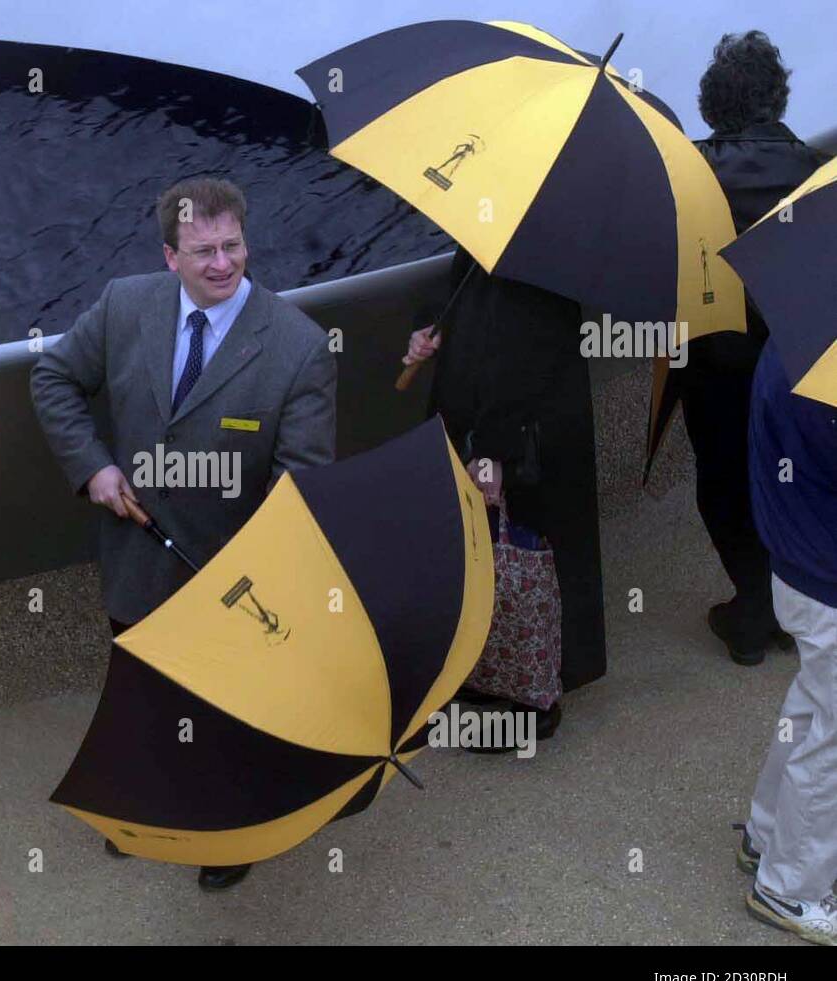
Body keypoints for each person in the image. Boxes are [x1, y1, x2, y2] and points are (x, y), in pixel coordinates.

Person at [31, 177, 337, 889]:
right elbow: (54, 378)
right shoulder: (123, 304)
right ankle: (152, 809)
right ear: (171, 256)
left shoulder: (298, 349)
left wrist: (249, 573)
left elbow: (300, 486)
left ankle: (230, 836)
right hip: (136, 566)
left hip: (234, 579)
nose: (223, 263)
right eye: (204, 251)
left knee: (229, 715)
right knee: (144, 698)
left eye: (233, 246)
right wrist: (95, 468)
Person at [404, 248, 605, 742]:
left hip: (521, 440)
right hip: (509, 430)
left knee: (527, 558)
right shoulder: (505, 235)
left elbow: (526, 356)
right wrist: (431, 326)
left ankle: (532, 697)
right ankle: (516, 675)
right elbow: (462, 297)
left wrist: (491, 450)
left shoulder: (539, 259)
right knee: (520, 558)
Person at [678, 31, 829, 665]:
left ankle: (750, 611)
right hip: (801, 358)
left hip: (719, 360)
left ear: (713, 105)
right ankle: (795, 609)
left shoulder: (689, 171)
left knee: (722, 477)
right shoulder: (814, 167)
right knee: (792, 476)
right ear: (777, 98)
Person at [738, 338, 837, 946]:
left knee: (813, 709)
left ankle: (765, 833)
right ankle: (791, 889)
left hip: (798, 563)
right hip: (826, 573)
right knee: (830, 746)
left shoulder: (796, 339)